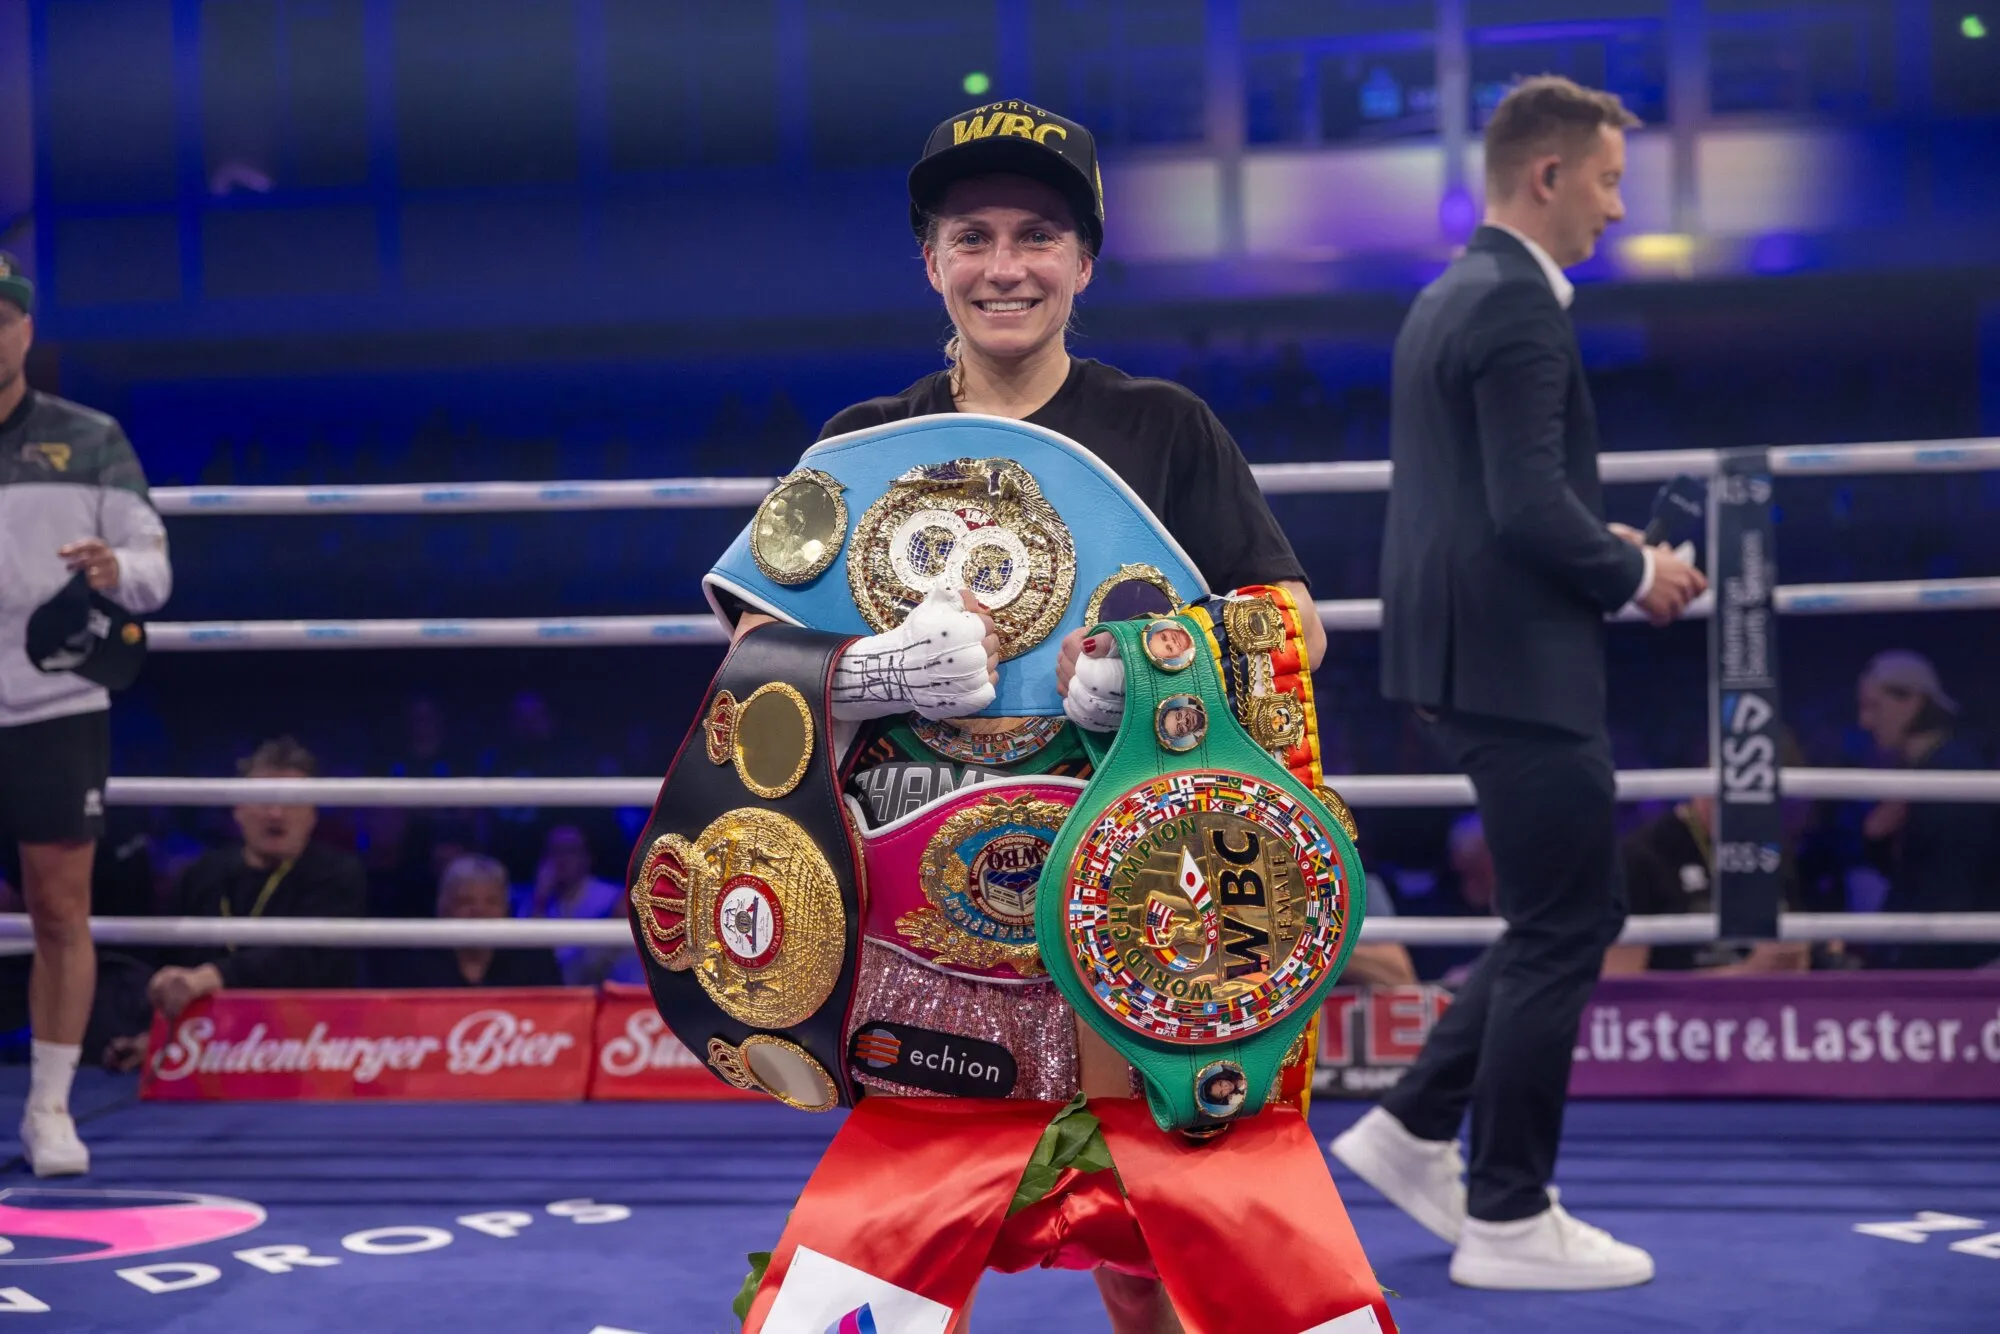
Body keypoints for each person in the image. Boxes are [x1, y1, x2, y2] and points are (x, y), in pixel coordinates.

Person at [730, 100, 1331, 1334]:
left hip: (1141, 891)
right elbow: (748, 663)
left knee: (1158, 1223)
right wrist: (876, 672)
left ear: (1084, 261)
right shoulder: (862, 445)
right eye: (972, 236)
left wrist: (1156, 666)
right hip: (924, 919)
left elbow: (1294, 628)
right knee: (906, 1217)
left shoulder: (1164, 427)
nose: (1004, 266)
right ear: (929, 261)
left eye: (1037, 235)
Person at [1338, 76, 1708, 1291]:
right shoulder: (1514, 303)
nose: (1614, 207)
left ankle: (1410, 1127)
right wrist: (1637, 569)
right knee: (1567, 920)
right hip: (1514, 659)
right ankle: (1506, 1210)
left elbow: (1488, 497)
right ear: (1545, 175)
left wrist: (1600, 546)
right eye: (1605, 179)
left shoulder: (1450, 292)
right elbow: (1525, 508)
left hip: (1468, 650)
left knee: (1565, 911)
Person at [0, 253, 174, 1176]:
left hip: (56, 700)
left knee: (60, 907)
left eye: (1, 318)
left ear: (26, 330)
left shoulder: (91, 437)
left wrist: (117, 571)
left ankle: (50, 1110)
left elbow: (153, 566)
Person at [140, 737, 365, 1025]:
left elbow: (307, 960)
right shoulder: (202, 874)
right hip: (204, 1032)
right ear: (238, 808)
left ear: (313, 813)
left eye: (292, 801)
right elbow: (168, 963)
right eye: (264, 799)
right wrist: (151, 1034)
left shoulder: (338, 875)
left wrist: (212, 977)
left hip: (308, 1032)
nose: (276, 814)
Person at [1854, 651, 2000, 969]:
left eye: (1874, 706)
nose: (1865, 722)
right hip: (1934, 952)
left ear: (1911, 702)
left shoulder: (1954, 774)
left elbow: (1952, 888)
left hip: (1956, 962)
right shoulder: (1918, 769)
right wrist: (1876, 838)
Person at [1604, 795, 1812, 976]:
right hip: (1682, 1009)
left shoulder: (1773, 850)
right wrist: (1746, 974)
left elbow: (1802, 960)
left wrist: (1795, 961)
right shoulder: (1641, 857)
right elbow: (1620, 982)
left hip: (1777, 1004)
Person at [371, 854, 562, 988]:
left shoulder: (535, 960)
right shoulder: (412, 965)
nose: (479, 911)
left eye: (492, 902)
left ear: (506, 908)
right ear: (444, 909)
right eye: (465, 901)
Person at [527, 824, 638, 986]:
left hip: (599, 984)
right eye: (555, 851)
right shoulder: (536, 899)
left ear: (587, 857)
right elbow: (529, 956)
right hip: (552, 986)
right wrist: (540, 899)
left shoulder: (612, 897)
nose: (562, 859)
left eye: (570, 850)